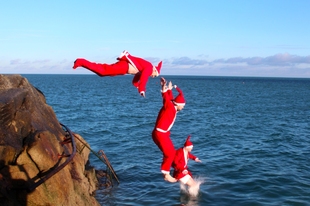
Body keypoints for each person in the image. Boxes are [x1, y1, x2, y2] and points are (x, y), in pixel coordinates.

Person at [73, 50, 162, 97]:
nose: (153, 76)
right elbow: (144, 77)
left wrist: (136, 84)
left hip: (124, 68)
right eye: (155, 75)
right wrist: (142, 89)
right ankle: (80, 62)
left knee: (102, 73)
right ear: (154, 70)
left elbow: (137, 76)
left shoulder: (147, 67)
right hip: (124, 66)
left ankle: (81, 63)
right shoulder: (150, 68)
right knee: (103, 70)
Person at [152, 77, 186, 183]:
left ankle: (176, 168)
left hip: (161, 134)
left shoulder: (172, 105)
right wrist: (163, 88)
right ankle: (166, 174)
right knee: (170, 153)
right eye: (183, 106)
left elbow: (170, 98)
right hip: (160, 134)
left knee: (171, 153)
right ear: (179, 105)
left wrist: (169, 89)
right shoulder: (170, 107)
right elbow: (166, 99)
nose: (183, 108)